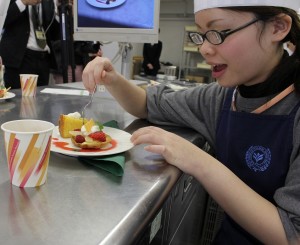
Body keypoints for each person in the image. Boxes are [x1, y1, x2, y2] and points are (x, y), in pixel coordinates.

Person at [82, 0, 300, 244]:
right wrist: (112, 79)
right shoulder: (221, 98)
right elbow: (147, 105)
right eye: (202, 35)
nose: (205, 49)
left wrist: (197, 161)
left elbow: (292, 235)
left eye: (218, 33)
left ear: (278, 27)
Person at [0, 0, 61, 89]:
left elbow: (55, 34)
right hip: (19, 59)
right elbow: (3, 21)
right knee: (18, 99)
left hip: (43, 58)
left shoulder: (49, 2)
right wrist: (23, 2)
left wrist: (59, 12)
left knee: (42, 100)